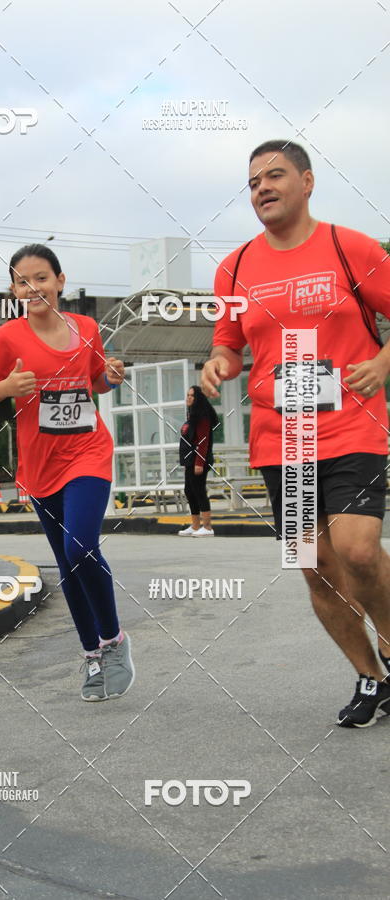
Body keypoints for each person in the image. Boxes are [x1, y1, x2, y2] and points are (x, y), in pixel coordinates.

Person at [201, 139, 390, 727]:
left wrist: (383, 363)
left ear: (307, 182)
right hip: (282, 438)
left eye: (275, 174)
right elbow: (229, 343)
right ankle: (371, 678)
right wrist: (218, 363)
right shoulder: (233, 267)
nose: (262, 186)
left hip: (353, 424)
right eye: (253, 180)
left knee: (358, 550)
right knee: (316, 566)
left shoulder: (349, 247)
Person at [0, 244, 135, 702]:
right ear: (13, 290)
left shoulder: (85, 328)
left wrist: (111, 375)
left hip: (88, 453)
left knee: (80, 547)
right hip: (40, 466)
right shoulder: (7, 337)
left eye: (41, 277)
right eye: (23, 281)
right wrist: (6, 387)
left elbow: (96, 379)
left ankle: (114, 640)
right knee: (66, 564)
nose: (33, 287)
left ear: (60, 281)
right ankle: (91, 655)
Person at [177, 385, 219, 536]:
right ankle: (195, 525)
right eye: (187, 395)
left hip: (199, 460)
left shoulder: (203, 416)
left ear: (198, 399)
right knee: (189, 490)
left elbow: (203, 441)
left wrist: (199, 463)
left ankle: (207, 527)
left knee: (199, 490)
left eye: (192, 396)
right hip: (190, 460)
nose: (188, 398)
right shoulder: (192, 415)